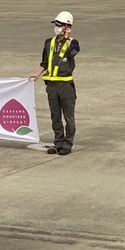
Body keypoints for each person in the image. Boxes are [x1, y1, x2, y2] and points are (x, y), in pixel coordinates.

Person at [29, 11, 79, 155]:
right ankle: (58, 142)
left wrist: (67, 39)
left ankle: (67, 144)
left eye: (59, 24)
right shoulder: (48, 42)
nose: (56, 27)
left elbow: (73, 53)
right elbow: (44, 63)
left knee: (68, 117)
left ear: (67, 26)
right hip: (51, 86)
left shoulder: (73, 42)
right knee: (55, 116)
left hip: (66, 86)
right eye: (56, 24)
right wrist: (36, 74)